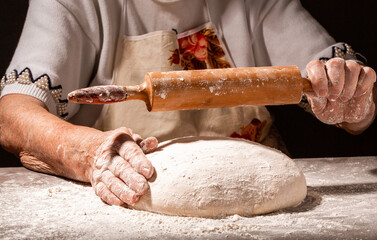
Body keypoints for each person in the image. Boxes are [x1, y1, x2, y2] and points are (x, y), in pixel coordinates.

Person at [0, 0, 375, 206]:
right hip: (129, 200)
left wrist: (352, 97)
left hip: (263, 206)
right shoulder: (74, 3)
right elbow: (12, 115)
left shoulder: (257, 4)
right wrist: (88, 153)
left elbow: (353, 105)